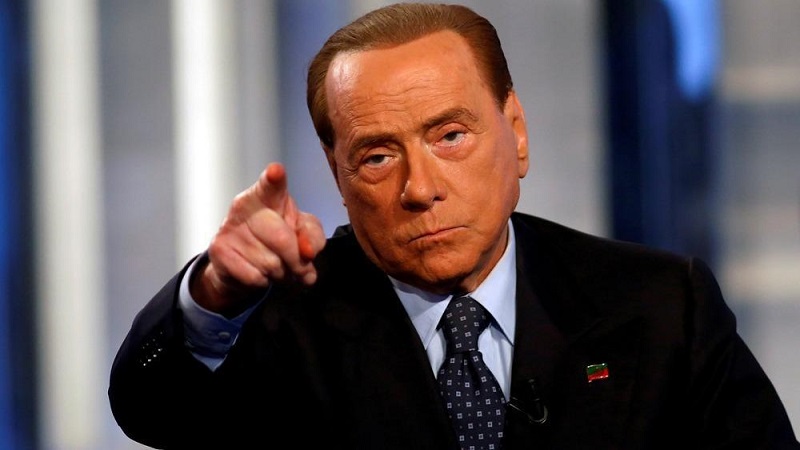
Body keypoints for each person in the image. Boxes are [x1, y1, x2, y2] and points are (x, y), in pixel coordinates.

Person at [108, 3, 799, 449]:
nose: (420, 189)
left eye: (450, 136)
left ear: (516, 132)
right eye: (377, 157)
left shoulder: (661, 305)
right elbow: (151, 411)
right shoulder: (281, 321)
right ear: (338, 175)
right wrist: (214, 294)